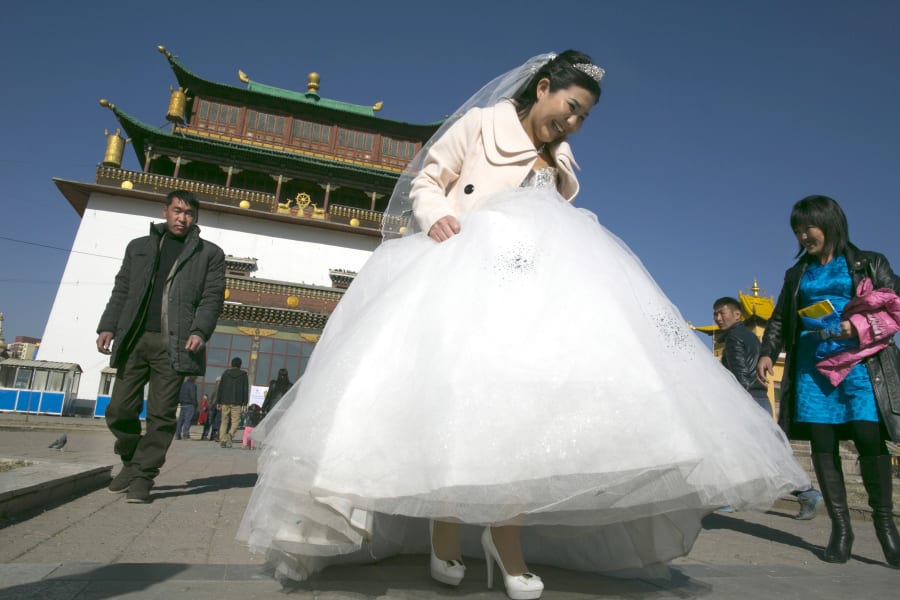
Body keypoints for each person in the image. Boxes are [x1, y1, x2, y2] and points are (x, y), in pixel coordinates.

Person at [238, 52, 808, 596]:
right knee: (453, 402)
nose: (576, 121)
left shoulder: (562, 160)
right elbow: (426, 181)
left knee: (520, 415)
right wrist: (436, 218)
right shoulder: (483, 124)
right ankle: (445, 524)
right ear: (543, 89)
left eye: (585, 115)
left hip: (536, 292)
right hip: (463, 271)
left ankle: (505, 539)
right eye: (572, 105)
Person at [757, 195, 900, 568]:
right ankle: (841, 527)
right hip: (810, 367)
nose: (804, 235)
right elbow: (778, 319)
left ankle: (886, 526)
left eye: (810, 226)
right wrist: (768, 352)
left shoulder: (868, 262)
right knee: (823, 444)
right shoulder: (797, 274)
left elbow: (895, 301)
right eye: (798, 229)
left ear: (831, 223)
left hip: (859, 364)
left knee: (869, 437)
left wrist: (857, 325)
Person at [96, 189, 225, 503]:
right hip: (135, 339)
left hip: (176, 344)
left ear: (195, 218)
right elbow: (122, 288)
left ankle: (143, 477)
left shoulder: (209, 254)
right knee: (118, 409)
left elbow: (212, 299)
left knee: (161, 415)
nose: (182, 218)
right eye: (177, 211)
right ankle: (131, 460)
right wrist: (108, 325)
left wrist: (200, 330)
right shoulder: (139, 247)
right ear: (165, 211)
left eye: (189, 213)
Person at [713, 297, 823, 520]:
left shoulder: (733, 338)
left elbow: (741, 374)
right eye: (715, 314)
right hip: (760, 398)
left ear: (737, 315)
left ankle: (806, 493)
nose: (717, 318)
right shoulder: (751, 336)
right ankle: (735, 498)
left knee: (763, 455)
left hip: (746, 401)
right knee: (749, 453)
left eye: (722, 313)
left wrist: (738, 403)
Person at [217, 357, 249, 448]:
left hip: (225, 401)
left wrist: (218, 401)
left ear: (231, 364)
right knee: (236, 421)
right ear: (240, 365)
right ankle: (230, 434)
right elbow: (245, 389)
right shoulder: (243, 375)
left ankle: (223, 440)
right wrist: (245, 403)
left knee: (224, 421)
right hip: (237, 402)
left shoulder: (225, 373)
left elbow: (221, 388)